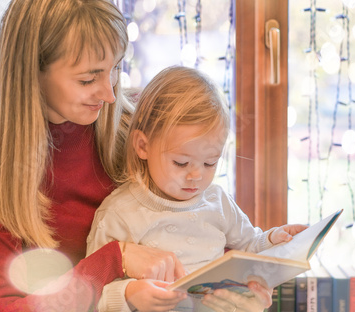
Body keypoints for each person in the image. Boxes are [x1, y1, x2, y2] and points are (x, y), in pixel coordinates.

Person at [0, 1, 275, 311]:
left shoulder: (140, 129)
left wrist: (245, 285)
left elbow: (203, 224)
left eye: (115, 69)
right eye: (88, 79)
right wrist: (115, 259)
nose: (111, 94)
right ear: (32, 71)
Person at [86, 66, 308, 312]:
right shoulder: (119, 214)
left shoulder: (217, 200)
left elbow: (248, 246)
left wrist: (272, 240)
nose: (196, 176)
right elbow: (89, 296)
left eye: (210, 163)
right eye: (181, 163)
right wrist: (127, 294)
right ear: (142, 146)